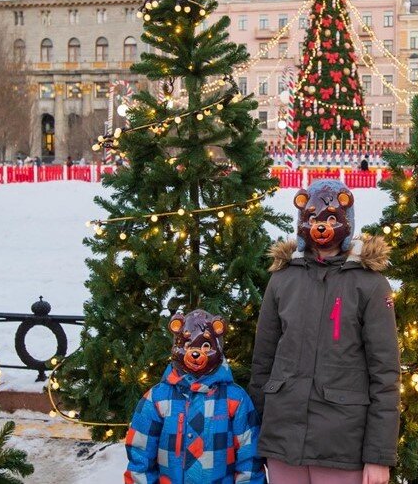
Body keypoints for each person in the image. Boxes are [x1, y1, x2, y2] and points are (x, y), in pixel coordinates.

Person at [250, 179, 400, 484]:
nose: (322, 227)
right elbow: (262, 365)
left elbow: (385, 376)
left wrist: (378, 456)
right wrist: (260, 437)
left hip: (341, 448)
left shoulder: (369, 285)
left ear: (347, 220)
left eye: (331, 219)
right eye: (314, 218)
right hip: (284, 446)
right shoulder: (282, 280)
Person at [125, 309, 264, 484]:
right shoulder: (156, 399)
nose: (196, 353)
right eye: (188, 346)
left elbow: (249, 460)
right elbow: (140, 457)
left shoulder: (235, 399)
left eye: (206, 346)